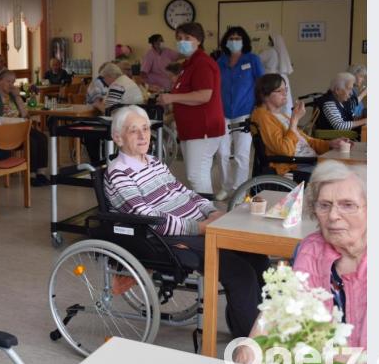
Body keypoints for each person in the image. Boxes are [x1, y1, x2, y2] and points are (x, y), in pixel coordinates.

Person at [104, 106, 269, 338]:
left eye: (145, 129)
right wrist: (200, 227)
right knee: (239, 272)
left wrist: (211, 212)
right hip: (166, 238)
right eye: (134, 131)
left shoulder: (153, 162)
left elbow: (184, 193)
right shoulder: (119, 173)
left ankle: (260, 324)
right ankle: (251, 342)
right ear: (117, 137)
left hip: (195, 225)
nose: (143, 136)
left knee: (256, 256)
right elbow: (150, 219)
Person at [235, 160, 367, 364]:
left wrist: (319, 359)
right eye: (324, 205)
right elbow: (283, 305)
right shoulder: (312, 248)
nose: (333, 216)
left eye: (347, 205)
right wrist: (252, 344)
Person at [157, 22, 225, 195]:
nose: (182, 41)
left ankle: (208, 215)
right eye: (179, 38)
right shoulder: (188, 65)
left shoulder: (202, 63)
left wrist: (172, 98)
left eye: (187, 38)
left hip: (203, 128)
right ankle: (205, 214)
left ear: (199, 40)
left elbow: (204, 95)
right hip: (191, 129)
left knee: (196, 175)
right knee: (197, 174)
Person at [250, 74, 349, 182]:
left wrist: (330, 144)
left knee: (347, 170)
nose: (285, 94)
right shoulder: (262, 116)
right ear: (265, 94)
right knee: (343, 177)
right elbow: (285, 150)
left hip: (310, 161)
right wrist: (294, 121)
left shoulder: (281, 115)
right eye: (280, 91)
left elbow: (307, 141)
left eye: (286, 90)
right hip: (296, 165)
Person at [215, 26, 265, 200]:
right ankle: (225, 186)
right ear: (226, 41)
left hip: (245, 111)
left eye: (238, 38)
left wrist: (258, 109)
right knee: (221, 152)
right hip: (222, 112)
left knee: (241, 154)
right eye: (231, 38)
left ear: (244, 41)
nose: (234, 41)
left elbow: (262, 84)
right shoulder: (220, 62)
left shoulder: (252, 59)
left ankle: (239, 189)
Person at [0, 69, 50, 186]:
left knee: (42, 137)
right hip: (5, 131)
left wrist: (17, 97)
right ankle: (31, 175)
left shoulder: (12, 96)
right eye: (8, 82)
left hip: (19, 127)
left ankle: (41, 173)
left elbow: (25, 115)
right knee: (31, 142)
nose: (11, 85)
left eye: (13, 82)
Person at [258, 33, 294, 114]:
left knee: (272, 102)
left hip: (271, 81)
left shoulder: (270, 51)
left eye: (270, 40)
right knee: (284, 101)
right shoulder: (282, 53)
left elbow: (257, 59)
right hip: (282, 80)